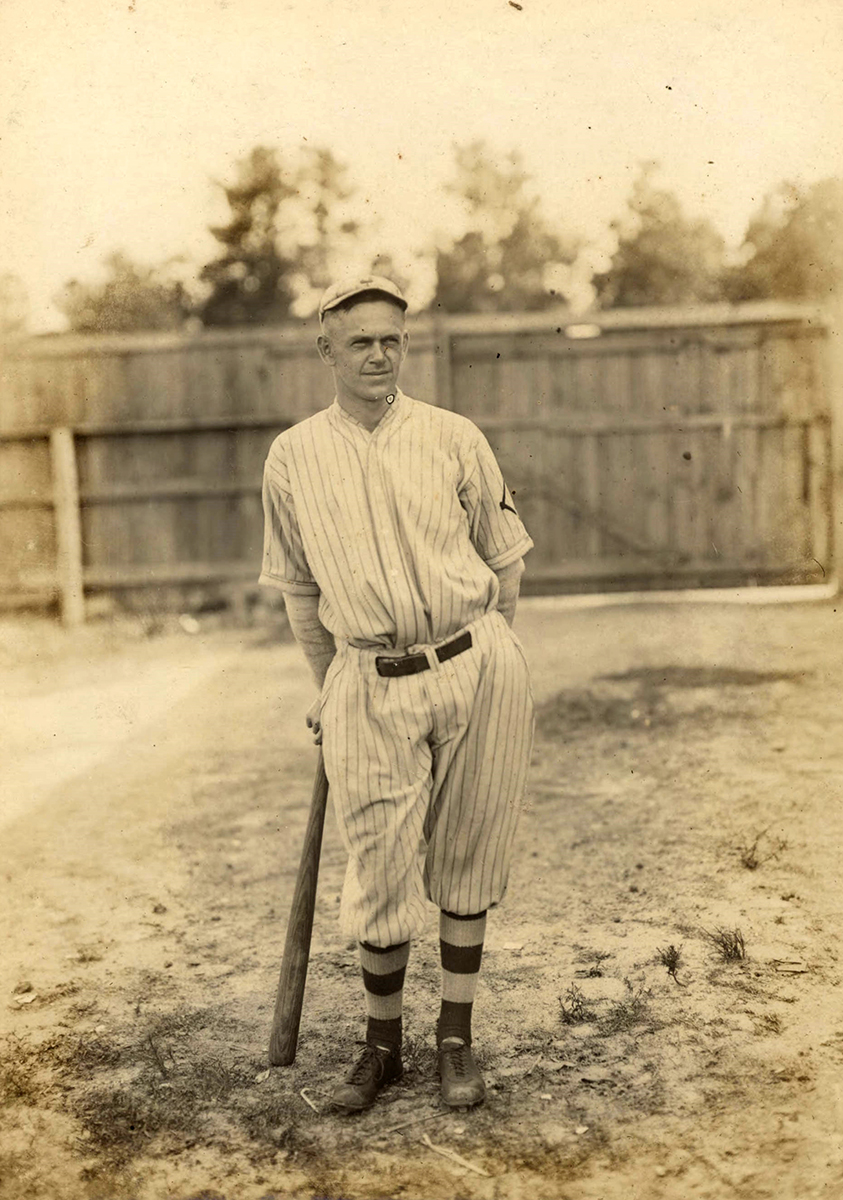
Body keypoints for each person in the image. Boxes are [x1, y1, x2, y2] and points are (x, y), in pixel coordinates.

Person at [260, 274, 534, 1113]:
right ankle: (381, 1047)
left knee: (466, 857)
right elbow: (301, 594)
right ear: (326, 352)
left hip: (474, 663)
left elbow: (505, 561)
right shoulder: (293, 455)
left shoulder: (453, 437)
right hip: (367, 680)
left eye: (391, 339)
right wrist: (329, 686)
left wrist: (485, 652)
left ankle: (454, 1040)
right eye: (359, 342)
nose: (378, 355)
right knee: (379, 870)